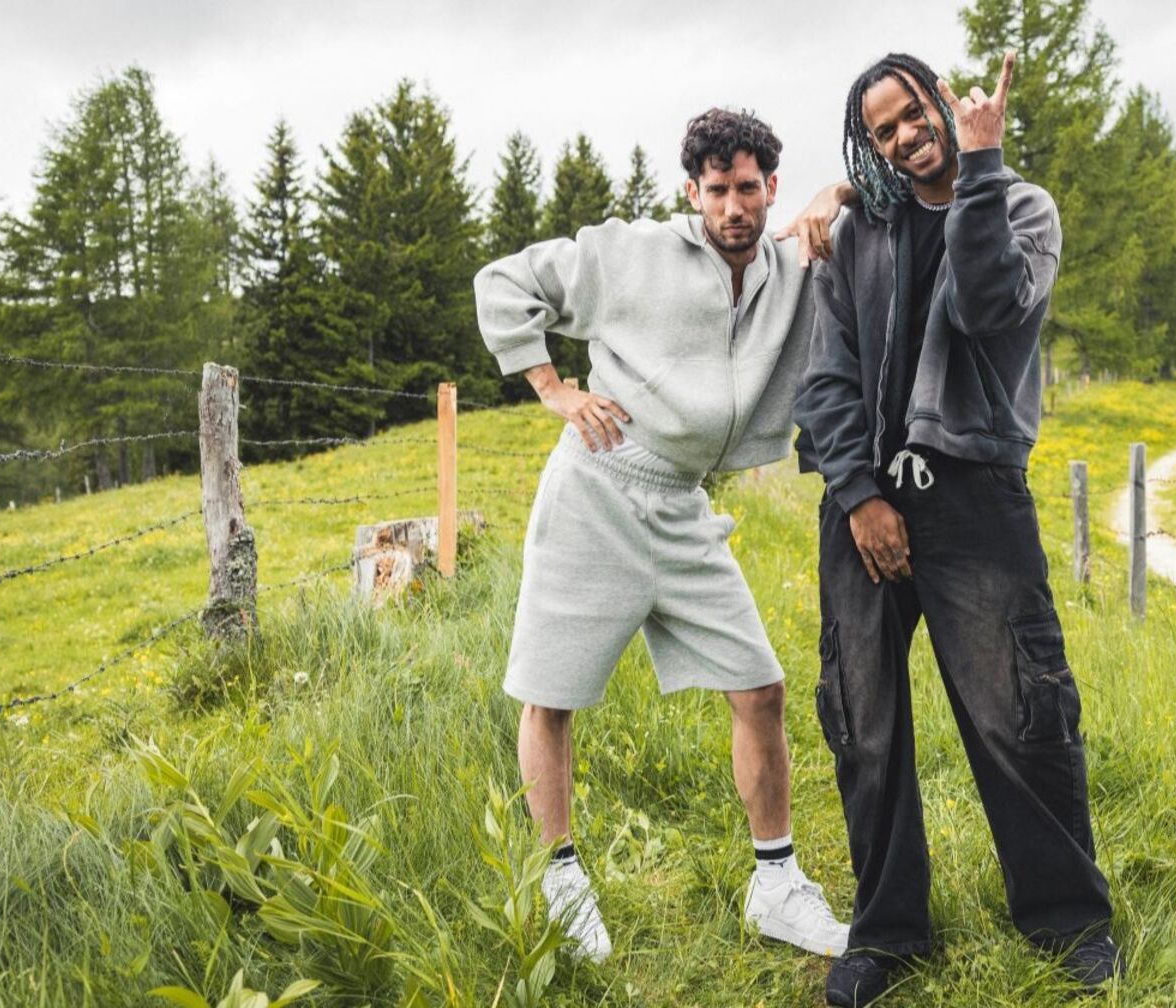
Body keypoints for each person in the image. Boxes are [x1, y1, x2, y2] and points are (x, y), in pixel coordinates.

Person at [473, 107, 849, 963]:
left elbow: (877, 194)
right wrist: (554, 389)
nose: (732, 207)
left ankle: (778, 886)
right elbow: (502, 283)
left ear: (771, 189)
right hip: (596, 488)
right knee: (551, 693)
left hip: (682, 506)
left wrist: (841, 187)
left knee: (760, 689)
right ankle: (560, 879)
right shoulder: (628, 252)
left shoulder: (791, 264)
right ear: (693, 191)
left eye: (748, 188)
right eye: (716, 190)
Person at [793, 52, 1121, 1005]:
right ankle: (887, 933)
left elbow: (987, 307)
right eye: (884, 126)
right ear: (873, 140)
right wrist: (858, 495)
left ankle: (1069, 921)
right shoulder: (860, 232)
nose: (905, 133)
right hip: (863, 506)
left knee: (1020, 711)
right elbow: (827, 377)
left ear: (945, 103)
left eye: (915, 111)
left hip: (975, 498)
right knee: (864, 723)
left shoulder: (1022, 210)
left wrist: (982, 165)